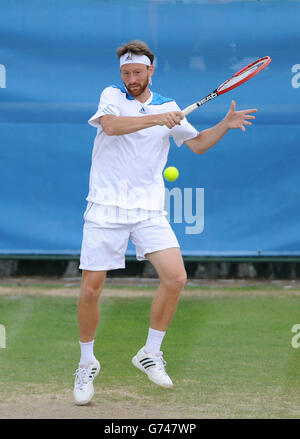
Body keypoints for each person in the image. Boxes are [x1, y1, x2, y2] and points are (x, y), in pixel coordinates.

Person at [73, 40, 257, 405]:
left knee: (176, 277)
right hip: (105, 205)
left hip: (147, 209)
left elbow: (199, 144)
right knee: (91, 289)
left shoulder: (170, 106)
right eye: (126, 73)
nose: (131, 79)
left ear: (150, 71)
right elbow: (110, 127)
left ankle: (150, 352)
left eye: (137, 73)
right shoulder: (111, 95)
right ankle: (86, 363)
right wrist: (157, 118)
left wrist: (225, 123)